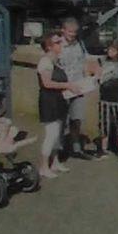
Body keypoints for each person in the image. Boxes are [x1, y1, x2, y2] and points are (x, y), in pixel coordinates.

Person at [56, 15, 99, 160]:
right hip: (64, 87)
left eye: (75, 32)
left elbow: (84, 61)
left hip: (79, 86)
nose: (72, 35)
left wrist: (89, 77)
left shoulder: (79, 43)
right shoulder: (57, 45)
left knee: (77, 119)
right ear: (63, 30)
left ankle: (76, 148)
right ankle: (59, 148)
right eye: (70, 32)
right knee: (61, 119)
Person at [34, 30, 75, 179]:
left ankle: (55, 162)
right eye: (57, 42)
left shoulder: (56, 61)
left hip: (59, 100)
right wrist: (67, 85)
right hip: (49, 101)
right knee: (51, 134)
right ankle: (43, 167)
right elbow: (47, 83)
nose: (61, 45)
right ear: (49, 46)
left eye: (61, 42)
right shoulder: (45, 61)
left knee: (58, 133)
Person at [97, 38, 118, 159]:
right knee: (104, 123)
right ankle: (103, 148)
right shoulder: (102, 61)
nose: (110, 51)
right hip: (105, 97)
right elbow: (97, 75)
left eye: (113, 50)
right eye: (109, 49)